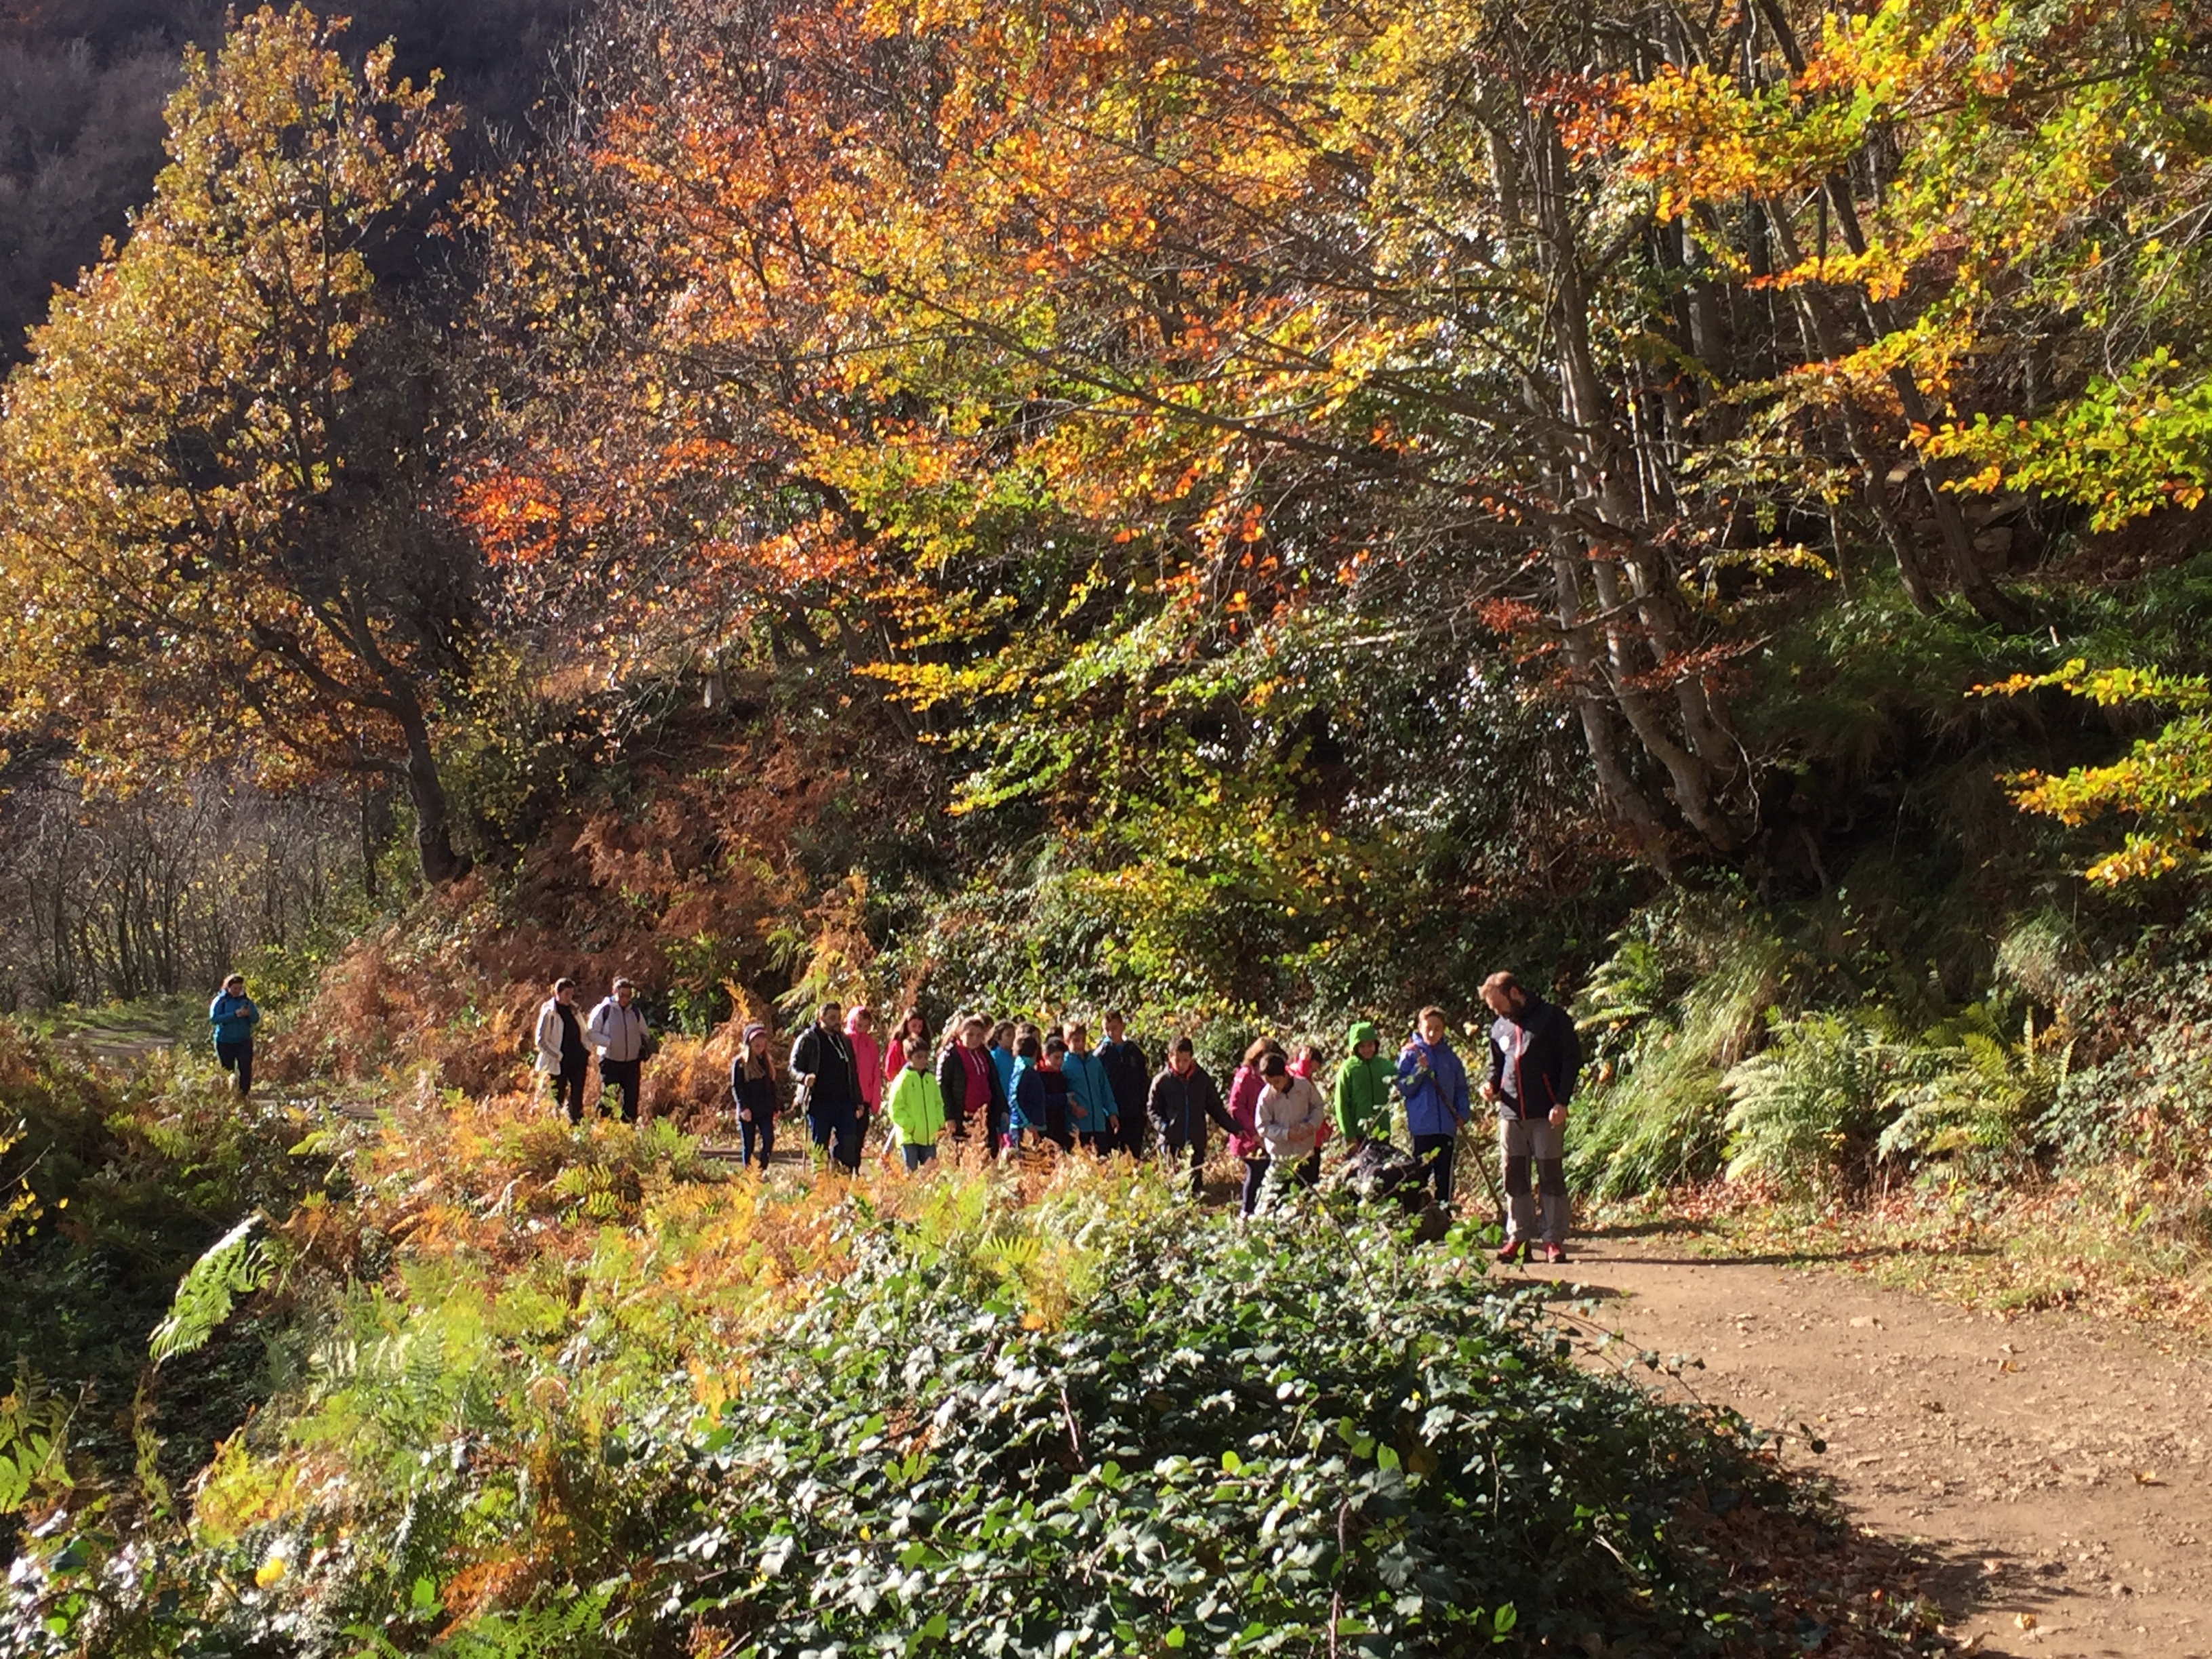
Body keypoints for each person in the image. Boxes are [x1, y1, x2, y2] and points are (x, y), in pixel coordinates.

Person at [1482, 970, 1582, 1265]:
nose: (1497, 1013)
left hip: (1546, 1112)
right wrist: (1490, 1084)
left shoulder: (1551, 1019)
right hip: (1511, 1114)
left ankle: (1553, 1238)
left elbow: (1571, 1059)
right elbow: (1496, 1065)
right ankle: (1519, 1238)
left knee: (1550, 1174)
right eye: (1493, 1010)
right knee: (1513, 1175)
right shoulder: (1499, 1027)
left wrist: (1562, 1101)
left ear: (1514, 993)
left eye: (1499, 1005)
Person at [1397, 1006, 1471, 1208]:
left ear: (1444, 1030)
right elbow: (1404, 1087)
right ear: (1420, 1027)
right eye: (1428, 1028)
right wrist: (1419, 1069)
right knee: (1420, 1172)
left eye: (1437, 1028)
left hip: (1446, 1125)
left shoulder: (1450, 1058)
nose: (1432, 1033)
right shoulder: (1410, 1055)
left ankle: (1444, 1214)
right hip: (1422, 1126)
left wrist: (1463, 1112)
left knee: (1444, 1174)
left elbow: (1461, 1088)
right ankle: (1415, 1215)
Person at [1145, 1036, 1237, 1197]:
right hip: (1171, 1142)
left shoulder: (1202, 1079)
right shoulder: (1162, 1081)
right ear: (1170, 1057)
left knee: (1195, 1185)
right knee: (1174, 1185)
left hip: (1196, 1139)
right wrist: (1165, 1128)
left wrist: (1235, 1128)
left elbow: (1215, 1108)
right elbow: (1152, 1110)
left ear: (1191, 1058)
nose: (1181, 1065)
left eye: (1185, 1060)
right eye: (1177, 1060)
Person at [790, 999, 864, 1171]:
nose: (836, 1021)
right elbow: (793, 1068)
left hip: (844, 1102)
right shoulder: (809, 1039)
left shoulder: (844, 1041)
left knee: (848, 1142)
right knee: (819, 1145)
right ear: (821, 1017)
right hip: (819, 1102)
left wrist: (858, 1100)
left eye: (838, 1017)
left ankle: (840, 1180)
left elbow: (852, 1072)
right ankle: (821, 1183)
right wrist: (804, 1077)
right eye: (832, 1017)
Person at [1254, 1050, 1328, 1207]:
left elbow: (1318, 1107)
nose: (1274, 1087)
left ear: (1285, 1074)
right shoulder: (1266, 1096)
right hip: (1281, 1158)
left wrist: (1311, 1125)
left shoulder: (1304, 1086)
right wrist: (1286, 1134)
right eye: (1269, 1083)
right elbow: (1262, 1126)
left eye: (1277, 1082)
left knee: (1307, 1196)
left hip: (1305, 1152)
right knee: (1280, 1200)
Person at [1224, 1037, 1281, 1216]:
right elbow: (1236, 1107)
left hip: (1268, 1134)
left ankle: (1262, 1210)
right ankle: (1247, 1212)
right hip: (1248, 1138)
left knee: (1267, 1174)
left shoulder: (1270, 1076)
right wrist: (1254, 1133)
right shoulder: (1246, 1076)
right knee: (1255, 1172)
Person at [937, 1013, 1010, 1147]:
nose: (974, 1039)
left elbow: (994, 1082)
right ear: (961, 1034)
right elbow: (943, 1088)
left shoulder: (984, 1054)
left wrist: (1003, 1108)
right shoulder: (950, 1056)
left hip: (985, 1115)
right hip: (963, 1115)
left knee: (988, 1155)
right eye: (970, 1035)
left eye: (979, 1036)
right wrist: (949, 1116)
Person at [586, 977, 652, 1123]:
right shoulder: (604, 1010)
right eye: (622, 995)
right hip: (610, 1062)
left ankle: (627, 1133)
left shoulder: (634, 1012)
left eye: (629, 996)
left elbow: (645, 1033)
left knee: (631, 1100)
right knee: (609, 1099)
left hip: (632, 1063)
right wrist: (609, 1043)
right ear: (614, 992)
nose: (625, 999)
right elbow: (591, 1033)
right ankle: (600, 1128)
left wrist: (643, 1047)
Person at [533, 978, 590, 1123]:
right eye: (566, 994)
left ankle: (577, 1125)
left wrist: (586, 1050)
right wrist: (558, 1056)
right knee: (557, 1097)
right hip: (559, 1063)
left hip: (578, 1059)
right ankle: (556, 1126)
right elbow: (541, 1040)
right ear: (557, 993)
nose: (569, 998)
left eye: (571, 994)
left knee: (577, 1097)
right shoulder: (549, 1013)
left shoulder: (575, 1010)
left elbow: (583, 1032)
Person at [886, 1036, 947, 1170]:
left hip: (929, 1137)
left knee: (930, 1173)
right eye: (919, 1057)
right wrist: (910, 1126)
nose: (923, 1061)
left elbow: (939, 1103)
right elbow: (895, 1108)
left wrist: (938, 1122)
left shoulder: (930, 1080)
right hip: (909, 1137)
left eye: (926, 1057)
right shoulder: (903, 1080)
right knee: (911, 1172)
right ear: (909, 1057)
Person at [1331, 1021, 1394, 1150]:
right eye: (1362, 1046)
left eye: (1370, 1045)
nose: (1366, 1050)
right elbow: (1341, 1104)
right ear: (1355, 1047)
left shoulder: (1385, 1066)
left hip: (1382, 1130)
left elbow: (1402, 1082)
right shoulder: (1348, 1069)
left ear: (1375, 1045)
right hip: (1359, 1134)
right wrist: (1349, 1135)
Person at [1097, 1012, 1151, 1156]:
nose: (1111, 1033)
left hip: (1134, 1113)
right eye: (1106, 1029)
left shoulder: (1134, 1052)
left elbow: (1144, 1080)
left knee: (1133, 1155)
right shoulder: (1101, 1055)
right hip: (1110, 1115)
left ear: (1123, 1027)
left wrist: (1144, 1106)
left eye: (1114, 1028)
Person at [1061, 1021, 1118, 1152]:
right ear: (1066, 1041)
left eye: (1083, 1040)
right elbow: (1062, 1093)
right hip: (1077, 1126)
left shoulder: (1095, 1063)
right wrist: (1072, 1108)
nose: (1081, 1044)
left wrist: (1112, 1112)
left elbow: (1105, 1089)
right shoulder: (1064, 1065)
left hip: (1098, 1124)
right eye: (1076, 1041)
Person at [730, 1022, 780, 1170]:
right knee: (749, 1143)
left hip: (765, 1109)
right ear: (749, 1045)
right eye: (756, 1046)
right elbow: (737, 1087)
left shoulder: (766, 1061)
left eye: (762, 1045)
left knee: (769, 1139)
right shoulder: (740, 1063)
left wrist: (775, 1107)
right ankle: (749, 1172)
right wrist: (743, 1107)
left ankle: (762, 1169)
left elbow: (771, 1086)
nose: (760, 1049)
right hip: (748, 1111)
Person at [209, 973, 260, 1098]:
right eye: (234, 989)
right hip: (225, 1041)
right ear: (228, 988)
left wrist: (248, 1014)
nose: (237, 991)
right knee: (227, 1070)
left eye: (239, 988)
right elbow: (214, 1019)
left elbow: (256, 1018)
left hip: (243, 1040)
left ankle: (244, 1095)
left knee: (245, 1068)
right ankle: (229, 1096)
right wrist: (234, 1015)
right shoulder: (221, 1001)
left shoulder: (246, 1001)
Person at [1033, 1036, 1077, 1151]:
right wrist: (1064, 1099)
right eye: (1056, 1058)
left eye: (1062, 1058)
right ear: (1046, 1056)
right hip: (1044, 1126)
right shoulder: (1039, 1076)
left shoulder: (1061, 1077)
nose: (1060, 1062)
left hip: (1060, 1125)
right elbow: (1041, 1100)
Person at [845, 1005, 883, 1122]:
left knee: (860, 1135)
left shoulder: (871, 1045)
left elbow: (876, 1073)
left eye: (866, 1026)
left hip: (865, 1097)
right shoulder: (844, 1040)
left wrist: (875, 1101)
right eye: (859, 1025)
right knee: (845, 1136)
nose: (862, 1029)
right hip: (846, 1097)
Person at [1006, 1031, 1042, 1150]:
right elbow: (1014, 1099)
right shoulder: (1022, 1069)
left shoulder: (1029, 1069)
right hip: (1022, 1127)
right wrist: (1028, 1124)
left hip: (1031, 1124)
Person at [884, 1008, 929, 1086]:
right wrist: (900, 1083)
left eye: (920, 1027)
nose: (917, 1029)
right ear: (906, 1025)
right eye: (914, 1026)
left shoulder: (923, 1045)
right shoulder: (897, 1045)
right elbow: (890, 1070)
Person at [987, 1019, 1019, 1105]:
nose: (1013, 1038)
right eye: (1008, 1035)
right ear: (998, 1037)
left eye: (1014, 1035)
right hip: (999, 1103)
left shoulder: (1016, 1058)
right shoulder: (993, 1057)